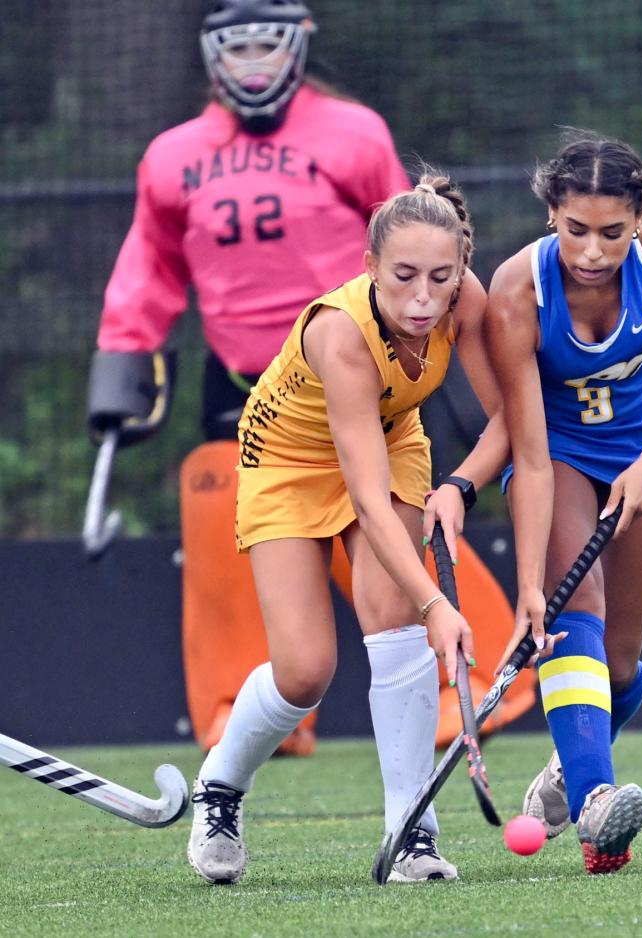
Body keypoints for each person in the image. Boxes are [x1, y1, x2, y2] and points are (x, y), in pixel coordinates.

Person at [86, 0, 410, 755]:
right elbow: (149, 266)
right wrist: (124, 360)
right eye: (242, 47)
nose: (256, 63)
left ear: (298, 47)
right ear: (212, 57)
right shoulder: (171, 154)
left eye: (272, 44)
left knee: (386, 518)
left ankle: (468, 685)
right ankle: (252, 703)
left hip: (350, 366)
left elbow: (404, 241)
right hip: (242, 379)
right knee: (242, 534)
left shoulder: (355, 133)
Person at [187, 174, 509, 885]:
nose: (423, 299)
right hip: (287, 460)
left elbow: (510, 418)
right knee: (306, 670)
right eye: (403, 277)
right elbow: (366, 502)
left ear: (460, 270)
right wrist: (439, 605)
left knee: (391, 613)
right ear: (369, 267)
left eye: (440, 277)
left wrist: (460, 486)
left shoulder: (464, 302)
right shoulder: (343, 336)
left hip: (392, 438)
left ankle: (413, 832)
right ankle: (220, 788)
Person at [484, 131, 642, 873]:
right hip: (555, 451)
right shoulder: (518, 291)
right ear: (551, 213)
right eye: (576, 229)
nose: (592, 250)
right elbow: (524, 446)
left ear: (640, 218)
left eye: (612, 233)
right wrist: (528, 590)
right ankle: (596, 809)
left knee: (618, 668)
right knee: (574, 604)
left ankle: (570, 762)